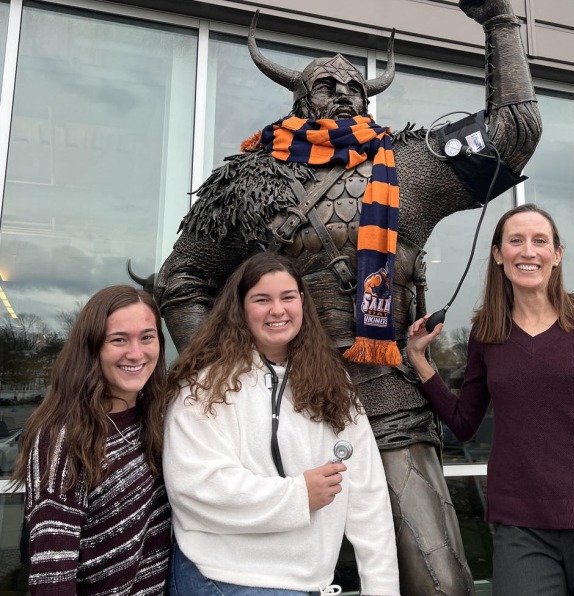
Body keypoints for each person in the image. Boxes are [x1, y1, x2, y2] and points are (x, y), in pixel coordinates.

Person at [142, 2, 542, 592]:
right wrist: (221, 375)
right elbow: (182, 279)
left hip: (387, 396)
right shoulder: (248, 179)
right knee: (278, 578)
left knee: (440, 582)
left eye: (355, 86)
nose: (343, 94)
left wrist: (501, 24)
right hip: (281, 403)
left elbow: (515, 135)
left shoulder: (407, 166)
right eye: (326, 85)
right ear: (300, 99)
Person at [406, 203, 574, 596]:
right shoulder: (487, 333)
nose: (528, 251)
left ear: (557, 254)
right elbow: (464, 423)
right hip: (521, 527)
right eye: (515, 241)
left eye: (540, 241)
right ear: (499, 255)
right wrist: (418, 360)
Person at [162, 252, 399, 596]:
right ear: (240, 308)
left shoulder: (335, 385)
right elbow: (197, 488)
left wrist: (382, 589)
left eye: (287, 297)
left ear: (302, 302)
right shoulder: (205, 388)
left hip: (308, 584)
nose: (277, 310)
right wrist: (299, 495)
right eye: (262, 300)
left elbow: (368, 495)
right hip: (224, 578)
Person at [12, 285, 172, 595]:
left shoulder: (153, 418)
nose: (136, 353)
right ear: (92, 347)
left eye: (147, 337)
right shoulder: (62, 436)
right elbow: (51, 574)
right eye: (119, 339)